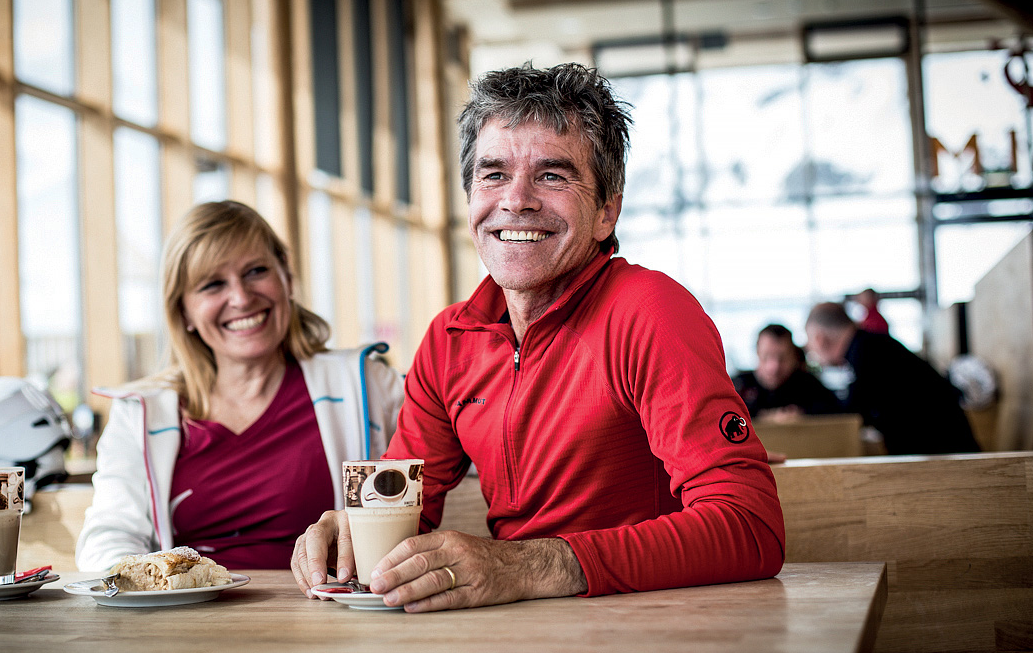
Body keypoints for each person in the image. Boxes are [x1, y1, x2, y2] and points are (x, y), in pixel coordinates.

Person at [291, 63, 785, 612]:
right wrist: (348, 533)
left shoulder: (651, 311)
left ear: (606, 210)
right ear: (470, 198)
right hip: (509, 630)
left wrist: (524, 565)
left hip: (644, 625)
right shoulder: (449, 339)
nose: (516, 200)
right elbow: (405, 508)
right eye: (493, 175)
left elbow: (751, 527)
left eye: (552, 175)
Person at [76, 201, 405, 571]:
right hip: (192, 606)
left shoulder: (366, 384)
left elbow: (453, 449)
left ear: (287, 277)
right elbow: (109, 539)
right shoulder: (139, 414)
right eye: (213, 284)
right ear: (183, 311)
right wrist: (150, 587)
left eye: (256, 271)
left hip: (324, 603)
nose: (242, 297)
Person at [804, 302, 978, 455]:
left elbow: (852, 411)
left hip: (948, 456)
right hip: (943, 451)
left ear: (819, 339)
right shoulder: (868, 345)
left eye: (809, 340)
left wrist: (804, 411)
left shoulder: (866, 351)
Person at [732, 324, 842, 419]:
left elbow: (838, 414)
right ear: (757, 353)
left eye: (782, 358)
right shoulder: (737, 386)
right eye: (766, 357)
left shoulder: (808, 386)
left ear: (794, 357)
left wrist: (804, 416)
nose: (774, 367)